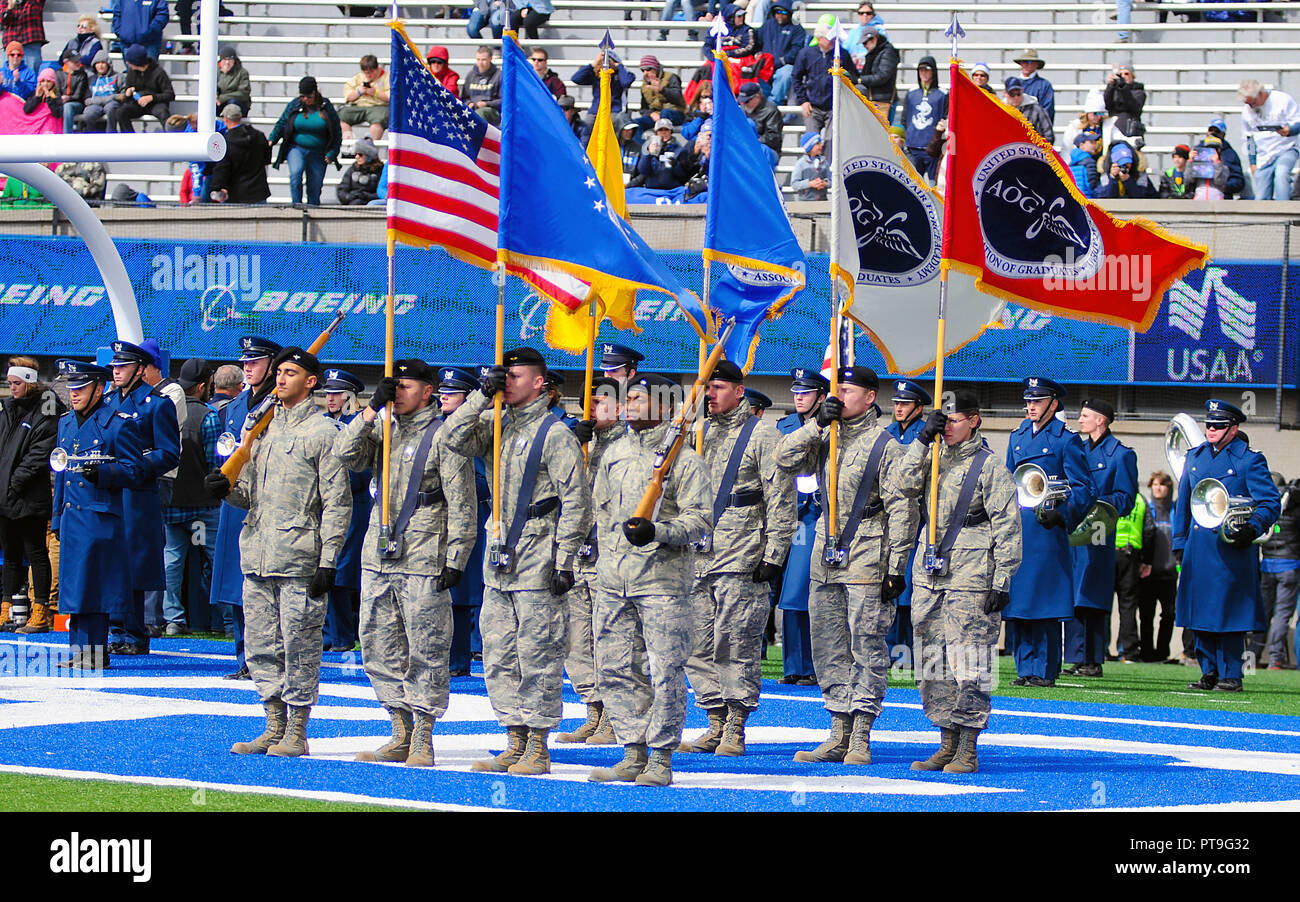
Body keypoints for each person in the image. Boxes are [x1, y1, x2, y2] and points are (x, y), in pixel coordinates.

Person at [443, 347, 590, 776]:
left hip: (538, 551)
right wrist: (477, 397)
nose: (505, 382)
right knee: (500, 650)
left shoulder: (555, 432)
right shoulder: (495, 424)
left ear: (539, 383)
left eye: (514, 376)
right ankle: (515, 736)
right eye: (501, 376)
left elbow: (575, 500)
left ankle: (539, 745)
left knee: (538, 651)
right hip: (499, 553)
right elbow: (451, 439)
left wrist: (565, 559)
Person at [209, 348, 351, 756]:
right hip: (258, 552)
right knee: (261, 644)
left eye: (291, 373)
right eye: (280, 372)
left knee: (300, 642)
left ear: (311, 383)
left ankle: (297, 730)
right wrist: (226, 490)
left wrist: (329, 561)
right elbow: (250, 492)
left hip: (300, 556)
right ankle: (273, 724)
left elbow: (337, 502)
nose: (281, 379)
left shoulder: (325, 433)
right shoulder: (263, 428)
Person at [335, 359, 474, 767]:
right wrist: (368, 410)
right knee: (378, 641)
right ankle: (399, 728)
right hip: (379, 552)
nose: (397, 392)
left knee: (425, 645)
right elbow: (346, 454)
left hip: (424, 550)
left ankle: (423, 735)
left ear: (428, 391)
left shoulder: (445, 434)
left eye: (406, 386)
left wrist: (457, 556)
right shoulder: (383, 425)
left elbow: (462, 502)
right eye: (393, 386)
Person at [774, 364, 915, 764]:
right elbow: (783, 460)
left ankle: (861, 734)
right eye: (837, 390)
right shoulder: (825, 436)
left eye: (849, 390)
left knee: (865, 642)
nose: (840, 397)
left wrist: (897, 565)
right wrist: (815, 426)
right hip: (825, 552)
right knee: (828, 643)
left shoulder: (886, 445)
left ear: (870, 397)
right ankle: (837, 729)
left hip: (869, 553)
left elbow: (902, 507)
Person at [586, 373, 711, 786]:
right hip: (613, 580)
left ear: (665, 406)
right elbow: (601, 514)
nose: (629, 405)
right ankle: (632, 748)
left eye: (639, 398)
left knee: (664, 670)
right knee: (618, 668)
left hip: (661, 580)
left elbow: (700, 521)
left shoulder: (684, 459)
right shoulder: (615, 452)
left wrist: (659, 531)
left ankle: (660, 756)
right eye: (627, 399)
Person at [890, 390, 1022, 774]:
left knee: (971, 659)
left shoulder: (991, 467)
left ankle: (968, 746)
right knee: (933, 660)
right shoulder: (930, 456)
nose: (946, 428)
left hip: (972, 572)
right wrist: (919, 440)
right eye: (941, 421)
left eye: (954, 420)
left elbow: (1008, 525)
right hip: (929, 574)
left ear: (974, 420)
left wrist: (1002, 579)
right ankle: (946, 741)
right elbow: (901, 484)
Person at [678, 359, 794, 759]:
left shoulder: (763, 434)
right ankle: (712, 718)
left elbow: (780, 496)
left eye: (719, 387)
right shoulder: (695, 432)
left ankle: (734, 726)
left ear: (739, 391)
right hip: (696, 555)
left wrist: (775, 553)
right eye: (706, 387)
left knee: (736, 643)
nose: (710, 394)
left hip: (740, 554)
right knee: (696, 642)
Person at [1175, 399, 1280, 692]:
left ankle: (1231, 673)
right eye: (1208, 424)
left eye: (1218, 425)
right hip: (1199, 547)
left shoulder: (1249, 460)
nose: (1211, 430)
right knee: (1199, 611)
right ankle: (1208, 670)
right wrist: (1179, 542)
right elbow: (1184, 502)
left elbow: (1270, 502)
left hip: (1231, 546)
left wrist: (1253, 527)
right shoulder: (1195, 457)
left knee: (1229, 612)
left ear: (1233, 429)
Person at [49, 360, 143, 670]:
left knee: (96, 587)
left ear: (99, 389)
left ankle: (95, 651)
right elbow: (61, 474)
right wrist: (57, 516)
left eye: (80, 388)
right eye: (71, 388)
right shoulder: (65, 422)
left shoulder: (118, 423)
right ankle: (79, 649)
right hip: (73, 513)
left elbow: (134, 470)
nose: (73, 394)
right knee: (74, 586)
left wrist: (101, 472)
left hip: (100, 515)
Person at [1003, 377, 1094, 687]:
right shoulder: (1016, 438)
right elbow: (1008, 485)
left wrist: (1063, 513)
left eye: (1038, 401)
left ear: (1053, 404)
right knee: (1021, 603)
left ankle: (1045, 668)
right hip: (1020, 528)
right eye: (1028, 400)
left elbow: (1084, 487)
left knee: (1044, 603)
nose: (1031, 406)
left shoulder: (1066, 440)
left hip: (1048, 530)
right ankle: (1025, 667)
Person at [102, 340, 181, 656]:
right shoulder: (106, 402)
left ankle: (135, 631)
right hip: (110, 491)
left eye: (123, 366)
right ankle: (115, 628)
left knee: (134, 562)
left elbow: (169, 453)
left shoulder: (157, 405)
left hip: (137, 492)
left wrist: (135, 466)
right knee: (110, 560)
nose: (116, 371)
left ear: (140, 368)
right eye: (115, 366)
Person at [558, 375, 623, 745]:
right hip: (576, 555)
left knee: (610, 638)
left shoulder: (627, 445)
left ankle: (616, 715)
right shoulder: (575, 441)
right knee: (577, 641)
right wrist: (573, 443)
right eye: (588, 404)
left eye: (599, 403)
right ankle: (593, 710)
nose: (591, 411)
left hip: (608, 555)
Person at [211, 335, 281, 679]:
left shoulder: (280, 403)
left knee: (264, 586)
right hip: (236, 500)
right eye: (245, 362)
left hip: (267, 499)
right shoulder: (237, 406)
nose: (248, 367)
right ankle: (245, 657)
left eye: (255, 362)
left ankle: (266, 659)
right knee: (235, 586)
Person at [1063, 399, 1136, 678]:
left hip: (1098, 530)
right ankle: (1077, 656)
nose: (1080, 421)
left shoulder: (1120, 455)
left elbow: (1126, 498)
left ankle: (1093, 657)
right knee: (1074, 596)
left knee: (1092, 596)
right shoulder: (1077, 450)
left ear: (1101, 420)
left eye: (1085, 416)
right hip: (1074, 529)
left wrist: (1096, 502)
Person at [157, 358, 221, 636]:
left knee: (171, 561)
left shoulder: (163, 409)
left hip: (172, 502)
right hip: (204, 505)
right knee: (217, 560)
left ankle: (173, 619)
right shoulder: (208, 416)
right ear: (203, 386)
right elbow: (215, 464)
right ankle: (226, 620)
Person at [773, 367, 827, 684]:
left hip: (818, 515)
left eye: (806, 392)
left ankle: (810, 665)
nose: (799, 397)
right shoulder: (786, 427)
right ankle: (795, 666)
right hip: (789, 515)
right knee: (790, 596)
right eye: (796, 392)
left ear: (822, 396)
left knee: (805, 593)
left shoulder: (834, 426)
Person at [0, 357, 61, 634]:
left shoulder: (46, 411)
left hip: (29, 497)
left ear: (28, 382)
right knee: (11, 555)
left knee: (36, 551)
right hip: (6, 494)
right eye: (9, 383)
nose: (11, 388)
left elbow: (38, 456)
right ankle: (5, 610)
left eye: (15, 383)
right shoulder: (9, 411)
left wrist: (13, 485)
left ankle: (40, 611)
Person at [437, 367, 489, 677]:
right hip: (433, 519)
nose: (443, 395)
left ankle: (460, 656)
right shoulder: (435, 427)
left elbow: (483, 481)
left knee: (461, 592)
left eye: (452, 392)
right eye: (443, 390)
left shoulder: (477, 429)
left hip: (467, 515)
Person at [319, 369, 369, 653]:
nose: (331, 398)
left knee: (343, 572)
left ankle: (343, 634)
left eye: (337, 393)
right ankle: (330, 633)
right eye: (328, 393)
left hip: (353, 503)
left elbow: (362, 470)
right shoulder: (323, 423)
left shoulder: (357, 424)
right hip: (327, 504)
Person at [883, 379, 932, 667]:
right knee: (887, 587)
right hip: (889, 521)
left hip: (916, 521)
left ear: (918, 407)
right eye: (897, 404)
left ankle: (909, 654)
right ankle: (890, 652)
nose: (899, 408)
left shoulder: (925, 435)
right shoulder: (887, 434)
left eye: (904, 404)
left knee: (910, 592)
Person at [269, 76, 341, 206]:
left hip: (319, 152)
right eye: (303, 96)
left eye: (308, 96)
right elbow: (282, 122)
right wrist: (272, 139)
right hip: (297, 148)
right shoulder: (295, 104)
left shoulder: (325, 106)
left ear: (315, 93)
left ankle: (313, 210)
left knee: (315, 186)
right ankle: (296, 206)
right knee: (296, 174)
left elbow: (336, 131)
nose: (305, 99)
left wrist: (332, 152)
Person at [1112, 472, 1154, 662]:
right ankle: (1128, 651)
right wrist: (1147, 560)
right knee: (1128, 605)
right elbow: (1149, 531)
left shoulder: (1110, 496)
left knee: (1101, 604)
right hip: (1130, 554)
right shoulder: (1140, 500)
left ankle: (1098, 650)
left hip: (1107, 551)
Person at [1261, 473, 1300, 669]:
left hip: (1267, 564)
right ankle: (1276, 658)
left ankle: (1252, 656)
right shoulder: (1294, 505)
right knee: (1282, 615)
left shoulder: (1265, 503)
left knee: (1264, 614)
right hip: (1290, 565)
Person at [1238, 79, 1300, 200]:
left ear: (1260, 94)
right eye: (1248, 104)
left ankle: (1285, 212)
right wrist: (1252, 162)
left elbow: (1298, 123)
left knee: (1281, 175)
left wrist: (1289, 130)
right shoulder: (1246, 112)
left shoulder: (1282, 100)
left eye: (1253, 103)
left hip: (1287, 147)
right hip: (1263, 154)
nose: (1251, 106)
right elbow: (1249, 139)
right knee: (1261, 195)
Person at [1140, 471, 1179, 663]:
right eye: (1155, 484)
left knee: (1169, 614)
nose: (1158, 488)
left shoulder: (1175, 511)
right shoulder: (1146, 509)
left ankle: (1162, 652)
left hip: (1170, 573)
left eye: (1162, 484)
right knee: (1146, 615)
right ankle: (1146, 652)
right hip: (1148, 573)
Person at [791, 24, 856, 133]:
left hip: (834, 106)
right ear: (819, 39)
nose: (833, 40)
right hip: (813, 106)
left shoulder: (843, 54)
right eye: (829, 38)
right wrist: (803, 101)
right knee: (812, 140)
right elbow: (796, 77)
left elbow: (852, 77)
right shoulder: (806, 54)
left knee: (831, 143)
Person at [206, 104, 271, 204]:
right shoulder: (259, 135)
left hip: (237, 194)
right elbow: (267, 159)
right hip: (259, 192)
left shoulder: (227, 141)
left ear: (226, 119)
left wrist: (217, 187)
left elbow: (223, 167)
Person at [108, 43, 173, 133]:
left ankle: (170, 137)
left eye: (130, 62)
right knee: (121, 112)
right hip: (137, 103)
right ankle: (130, 138)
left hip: (156, 103)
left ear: (137, 62)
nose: (128, 64)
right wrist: (128, 93)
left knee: (163, 113)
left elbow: (170, 94)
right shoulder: (131, 71)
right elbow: (128, 87)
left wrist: (152, 97)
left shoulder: (159, 72)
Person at [572, 49, 635, 143]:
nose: (605, 65)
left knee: (614, 124)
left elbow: (627, 82)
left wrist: (618, 66)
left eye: (608, 61)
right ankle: (586, 153)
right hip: (596, 110)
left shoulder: (621, 75)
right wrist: (594, 64)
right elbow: (576, 79)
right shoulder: (597, 75)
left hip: (615, 109)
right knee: (586, 124)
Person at [904, 56, 946, 180]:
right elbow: (904, 119)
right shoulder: (911, 93)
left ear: (933, 71)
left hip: (932, 149)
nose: (924, 73)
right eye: (921, 70)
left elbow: (945, 118)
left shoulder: (943, 94)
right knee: (912, 186)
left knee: (934, 185)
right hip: (913, 148)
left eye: (927, 69)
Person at [756, 2, 804, 105]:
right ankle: (764, 104)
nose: (780, 15)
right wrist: (760, 57)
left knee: (786, 73)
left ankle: (774, 103)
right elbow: (757, 43)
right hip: (766, 64)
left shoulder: (796, 28)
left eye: (783, 12)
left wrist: (783, 60)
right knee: (753, 70)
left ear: (789, 13)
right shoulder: (767, 25)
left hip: (785, 65)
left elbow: (797, 50)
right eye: (777, 12)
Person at [339, 54, 389, 146]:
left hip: (378, 107)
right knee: (342, 115)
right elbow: (348, 96)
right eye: (366, 72)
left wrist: (375, 93)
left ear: (377, 68)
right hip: (359, 106)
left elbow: (391, 97)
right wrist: (358, 92)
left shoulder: (387, 77)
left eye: (371, 72)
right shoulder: (358, 78)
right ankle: (348, 146)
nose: (369, 75)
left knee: (378, 121)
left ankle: (370, 148)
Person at [737, 80, 782, 169]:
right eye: (742, 101)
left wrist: (753, 142)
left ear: (757, 97)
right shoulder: (742, 110)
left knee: (763, 152)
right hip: (747, 148)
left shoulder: (771, 110)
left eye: (746, 101)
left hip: (769, 150)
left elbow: (773, 137)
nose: (744, 104)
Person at [634, 54, 684, 134]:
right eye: (642, 70)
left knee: (665, 112)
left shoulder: (671, 77)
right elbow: (644, 108)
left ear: (655, 68)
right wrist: (651, 113)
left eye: (648, 69)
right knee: (635, 124)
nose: (645, 73)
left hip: (674, 114)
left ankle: (664, 143)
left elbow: (678, 98)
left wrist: (662, 89)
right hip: (656, 116)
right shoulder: (645, 85)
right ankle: (643, 146)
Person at [856, 25, 898, 119]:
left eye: (865, 43)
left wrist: (859, 79)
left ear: (874, 39)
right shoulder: (874, 53)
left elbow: (882, 76)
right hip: (875, 98)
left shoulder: (887, 53)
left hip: (883, 99)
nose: (865, 46)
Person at [72, 49, 116, 132]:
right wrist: (105, 99)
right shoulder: (90, 79)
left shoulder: (117, 77)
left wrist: (105, 100)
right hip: (94, 104)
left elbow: (122, 95)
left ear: (108, 64)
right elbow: (87, 99)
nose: (100, 66)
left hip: (111, 103)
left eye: (103, 63)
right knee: (89, 113)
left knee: (111, 108)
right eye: (98, 63)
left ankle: (111, 135)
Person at [1206, 117, 1247, 199]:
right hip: (1201, 197)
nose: (1213, 133)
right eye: (1211, 130)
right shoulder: (1198, 150)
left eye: (1217, 131)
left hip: (1221, 199)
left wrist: (1223, 186)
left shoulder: (1230, 155)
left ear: (1223, 134)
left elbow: (1238, 181)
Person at [1004, 77, 1053, 145]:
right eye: (1012, 94)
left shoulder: (1038, 110)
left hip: (1033, 152)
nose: (1016, 97)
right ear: (1005, 93)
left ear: (1022, 91)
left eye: (1018, 94)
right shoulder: (1001, 111)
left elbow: (1048, 136)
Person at [335, 135, 383, 205]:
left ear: (369, 155)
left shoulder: (380, 170)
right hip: (353, 204)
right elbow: (342, 190)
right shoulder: (352, 169)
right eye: (356, 154)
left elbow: (381, 193)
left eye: (360, 154)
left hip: (371, 206)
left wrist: (365, 196)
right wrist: (349, 197)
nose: (357, 157)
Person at [461, 45, 502, 126]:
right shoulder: (471, 75)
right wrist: (469, 103)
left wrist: (486, 104)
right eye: (478, 59)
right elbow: (464, 97)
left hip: (492, 111)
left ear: (490, 59)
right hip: (473, 109)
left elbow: (503, 100)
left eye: (483, 60)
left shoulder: (499, 75)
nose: (480, 63)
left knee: (480, 113)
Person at [1011, 48, 1054, 125]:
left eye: (1030, 62)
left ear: (1036, 64)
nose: (1026, 65)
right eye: (1024, 61)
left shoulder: (1044, 85)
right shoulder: (1012, 84)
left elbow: (1047, 111)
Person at [1104, 62, 1145, 141]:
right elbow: (1107, 104)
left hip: (1130, 131)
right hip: (1114, 129)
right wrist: (1111, 86)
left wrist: (1123, 88)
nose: (1123, 76)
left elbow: (1133, 106)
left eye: (1126, 74)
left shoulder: (1139, 92)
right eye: (1121, 74)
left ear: (1132, 76)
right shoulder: (1115, 91)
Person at [1, 0, 45, 74]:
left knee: (31, 77)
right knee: (8, 78)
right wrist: (9, 9)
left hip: (30, 43)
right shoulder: (5, 1)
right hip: (11, 44)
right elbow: (2, 20)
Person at [55, 48, 89, 134]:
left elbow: (79, 95)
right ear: (66, 62)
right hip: (60, 102)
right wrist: (60, 98)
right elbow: (57, 91)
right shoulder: (58, 73)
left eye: (78, 60)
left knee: (68, 107)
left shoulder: (82, 75)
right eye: (75, 61)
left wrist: (68, 98)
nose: (78, 63)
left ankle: (67, 134)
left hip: (76, 104)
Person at [790, 131, 829, 201]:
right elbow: (794, 184)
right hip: (805, 204)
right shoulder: (801, 163)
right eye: (817, 143)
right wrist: (810, 184)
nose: (821, 145)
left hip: (822, 202)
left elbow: (832, 181)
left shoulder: (824, 162)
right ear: (809, 147)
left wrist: (824, 183)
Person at [216, 46, 251, 117]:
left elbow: (243, 93)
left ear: (234, 60)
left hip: (238, 104)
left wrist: (222, 98)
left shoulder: (242, 72)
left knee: (232, 104)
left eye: (230, 59)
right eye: (224, 59)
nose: (227, 62)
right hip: (220, 103)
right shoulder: (215, 72)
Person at [1069, 128, 1102, 198]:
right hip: (1087, 200)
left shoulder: (1071, 163)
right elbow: (1092, 186)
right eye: (1091, 142)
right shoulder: (1089, 162)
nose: (1094, 145)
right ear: (1082, 145)